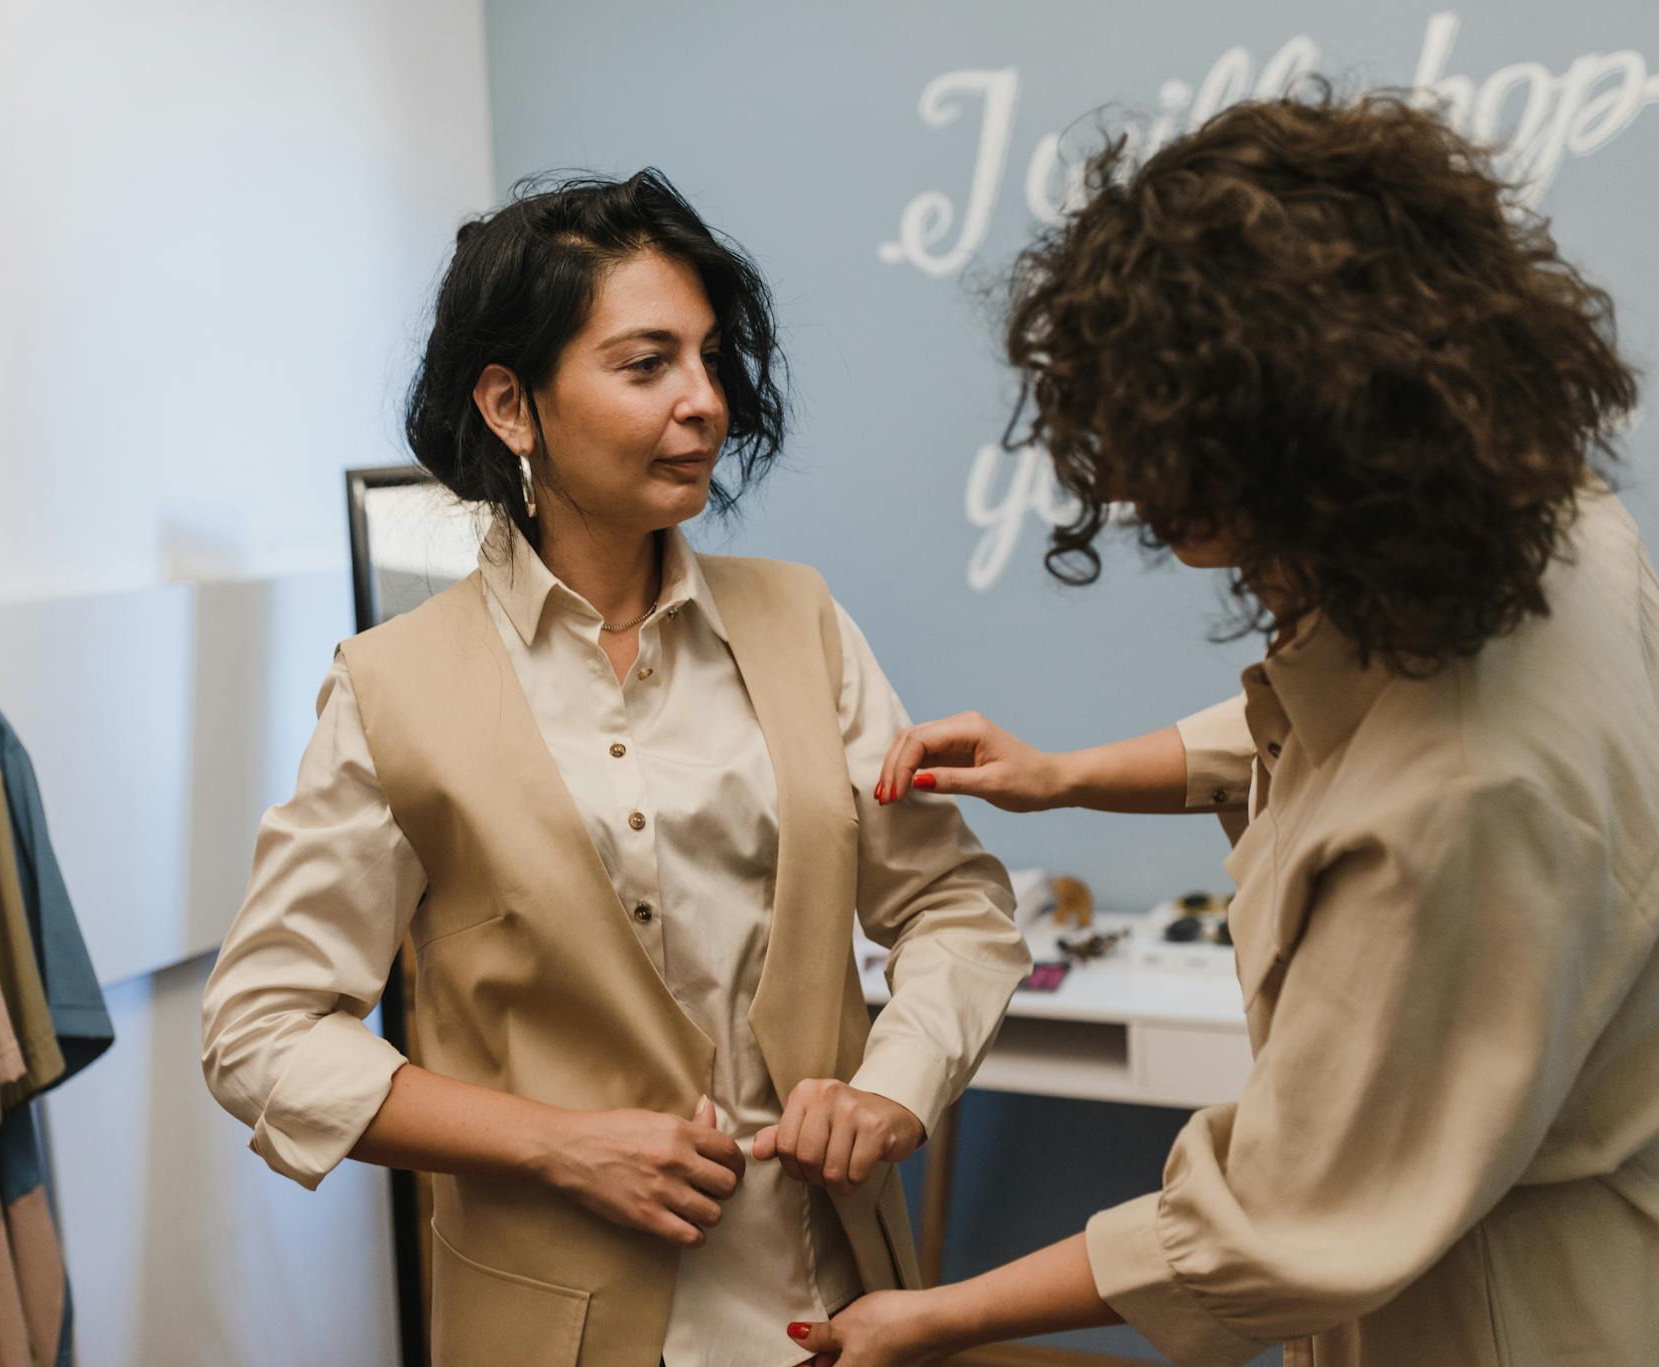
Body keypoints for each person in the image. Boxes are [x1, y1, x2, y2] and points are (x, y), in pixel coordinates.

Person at [794, 87, 1657, 1367]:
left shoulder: (1464, 797)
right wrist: (1069, 772)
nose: (1134, 496)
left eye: (1158, 473)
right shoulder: (1550, 532)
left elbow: (1269, 1216)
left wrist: (936, 1313)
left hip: (1495, 1316)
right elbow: (1339, 724)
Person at [200, 170, 1031, 1367]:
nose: (704, 402)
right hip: (548, 1325)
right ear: (510, 404)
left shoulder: (801, 622)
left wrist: (894, 1085)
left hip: (831, 1303)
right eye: (647, 365)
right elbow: (261, 1029)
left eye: (707, 358)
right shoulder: (390, 686)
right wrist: (552, 1141)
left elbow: (951, 901)